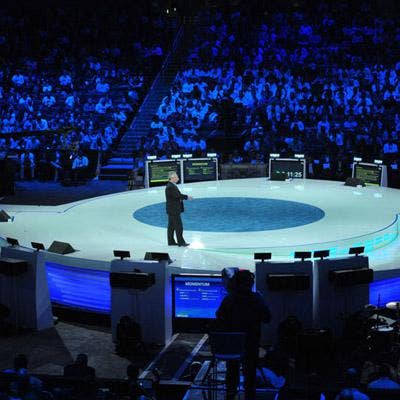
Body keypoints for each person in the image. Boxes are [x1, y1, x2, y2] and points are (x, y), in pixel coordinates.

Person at [216, 269, 271, 400]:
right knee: (250, 373)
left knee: (232, 369)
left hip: (232, 344)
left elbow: (219, 317)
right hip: (251, 344)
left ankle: (230, 393)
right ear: (250, 283)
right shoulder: (256, 299)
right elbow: (267, 318)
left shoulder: (229, 299)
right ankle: (249, 394)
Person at [165, 171, 193, 246]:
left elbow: (176, 196)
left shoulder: (171, 185)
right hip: (174, 210)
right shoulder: (171, 186)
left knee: (171, 226)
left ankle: (171, 241)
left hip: (171, 209)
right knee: (178, 226)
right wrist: (187, 197)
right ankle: (181, 242)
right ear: (172, 178)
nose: (178, 178)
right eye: (176, 177)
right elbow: (177, 195)